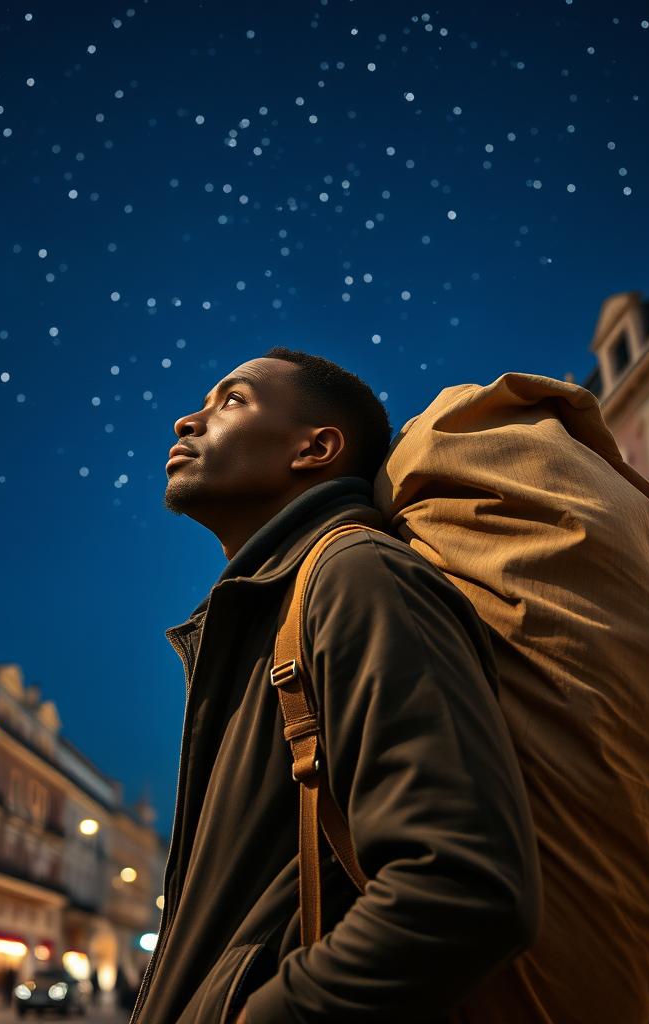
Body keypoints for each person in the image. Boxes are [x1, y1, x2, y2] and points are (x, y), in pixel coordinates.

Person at [132, 350, 541, 1023]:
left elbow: (461, 886)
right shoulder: (276, 605)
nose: (186, 421)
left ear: (315, 448)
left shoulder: (358, 574)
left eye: (231, 400)